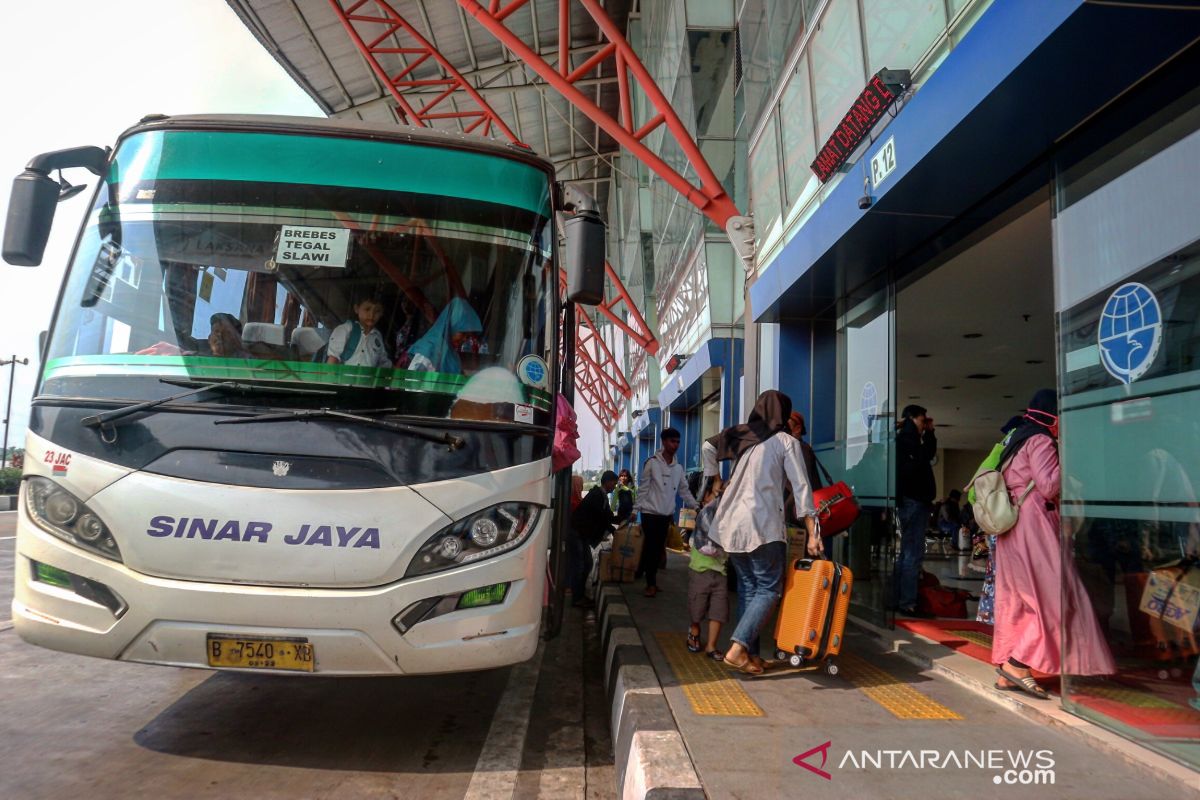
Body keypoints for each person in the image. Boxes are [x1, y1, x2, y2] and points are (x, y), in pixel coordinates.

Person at [992, 390, 1116, 699]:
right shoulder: (1041, 440)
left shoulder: (1015, 438)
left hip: (1012, 526)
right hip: (1034, 523)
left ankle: (1013, 666)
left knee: (1020, 600)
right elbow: (1049, 485)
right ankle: (1017, 665)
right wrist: (1071, 459)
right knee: (1055, 597)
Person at [711, 390, 821, 675]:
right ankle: (737, 649)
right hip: (762, 527)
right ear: (783, 414)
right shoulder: (786, 442)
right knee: (770, 589)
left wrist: (714, 481)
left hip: (731, 527)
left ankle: (751, 655)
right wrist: (813, 531)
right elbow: (801, 488)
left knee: (750, 588)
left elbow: (706, 447)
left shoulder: (746, 442)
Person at [633, 427, 699, 598]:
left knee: (657, 549)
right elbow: (643, 489)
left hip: (665, 515)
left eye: (678, 442)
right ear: (663, 442)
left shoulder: (678, 468)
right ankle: (651, 583)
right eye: (672, 441)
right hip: (650, 513)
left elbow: (684, 491)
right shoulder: (651, 463)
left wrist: (696, 506)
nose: (675, 445)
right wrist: (635, 510)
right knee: (652, 548)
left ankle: (646, 575)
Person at [895, 404, 938, 618]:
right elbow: (924, 458)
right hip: (914, 501)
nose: (925, 424)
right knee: (912, 553)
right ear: (913, 418)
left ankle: (900, 599)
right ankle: (907, 602)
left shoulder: (905, 440)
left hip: (909, 501)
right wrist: (929, 436)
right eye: (922, 420)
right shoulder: (909, 442)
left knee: (906, 553)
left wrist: (928, 434)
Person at [686, 497, 728, 662]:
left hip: (721, 571)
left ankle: (711, 646)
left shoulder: (727, 514)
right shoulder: (705, 515)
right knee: (697, 608)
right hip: (700, 570)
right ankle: (694, 630)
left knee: (719, 610)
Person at [570, 471, 619, 608]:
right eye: (614, 484)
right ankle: (577, 598)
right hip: (577, 533)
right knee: (580, 565)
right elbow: (602, 517)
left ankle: (580, 595)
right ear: (607, 482)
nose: (614, 487)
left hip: (582, 534)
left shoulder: (601, 496)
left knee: (587, 564)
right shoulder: (597, 495)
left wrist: (619, 522)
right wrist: (612, 529)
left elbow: (607, 515)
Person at [407, 297, 483, 375]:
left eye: (467, 336)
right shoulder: (430, 349)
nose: (464, 339)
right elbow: (413, 384)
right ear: (450, 327)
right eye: (462, 333)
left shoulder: (452, 354)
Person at [327, 295, 390, 367]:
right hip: (344, 378)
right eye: (367, 309)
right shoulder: (345, 329)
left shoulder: (378, 336)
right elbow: (333, 359)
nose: (371, 315)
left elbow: (383, 362)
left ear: (381, 313)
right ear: (356, 309)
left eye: (377, 311)